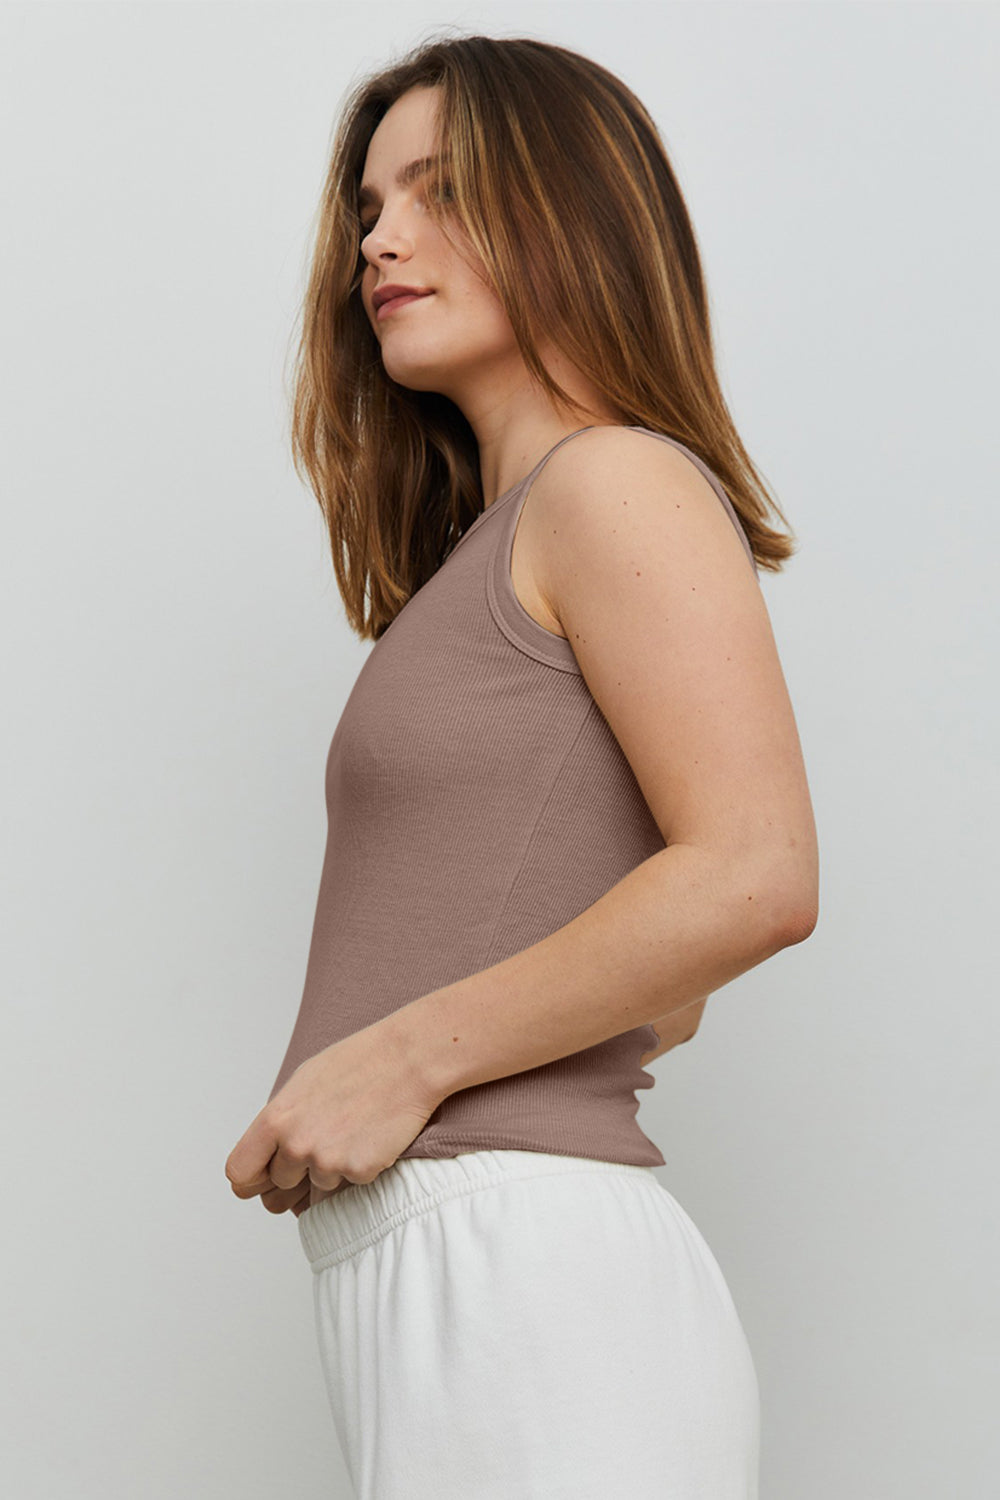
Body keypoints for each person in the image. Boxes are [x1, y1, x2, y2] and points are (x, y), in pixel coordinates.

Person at [225, 31, 818, 1500]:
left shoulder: (614, 480)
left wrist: (403, 1059)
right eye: (370, 207)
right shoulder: (493, 547)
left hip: (526, 1263)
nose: (380, 240)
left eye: (439, 191)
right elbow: (663, 975)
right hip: (449, 1265)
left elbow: (755, 874)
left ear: (571, 212)